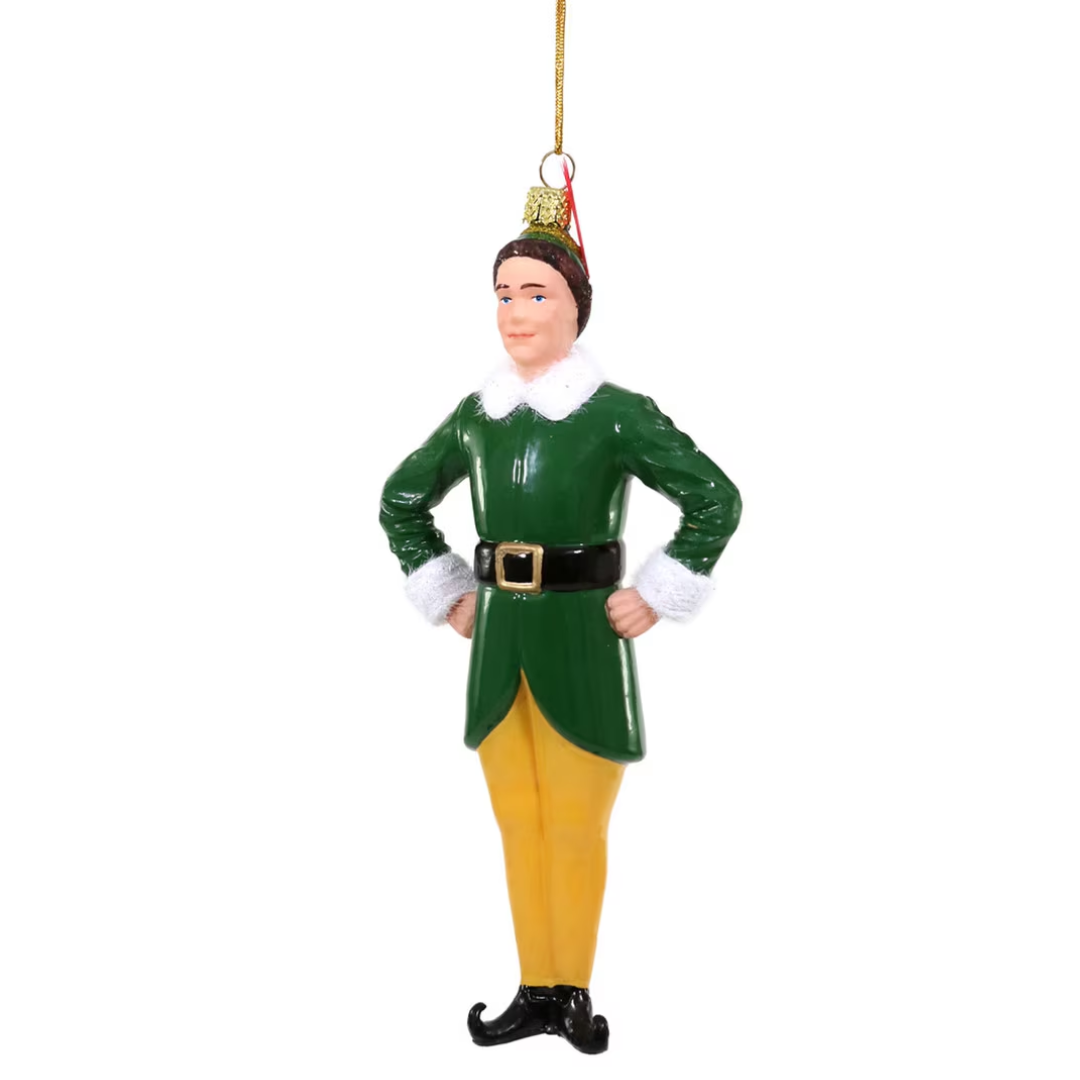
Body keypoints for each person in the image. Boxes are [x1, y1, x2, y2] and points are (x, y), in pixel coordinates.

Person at [379, 187, 741, 1053]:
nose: (514, 311)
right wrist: (449, 590)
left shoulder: (615, 413)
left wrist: (658, 591)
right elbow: (400, 499)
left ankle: (571, 987)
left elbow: (714, 499)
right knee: (517, 820)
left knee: (575, 823)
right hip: (499, 641)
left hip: (582, 638)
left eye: (535, 293)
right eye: (503, 293)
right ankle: (533, 986)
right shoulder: (478, 416)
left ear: (576, 307)